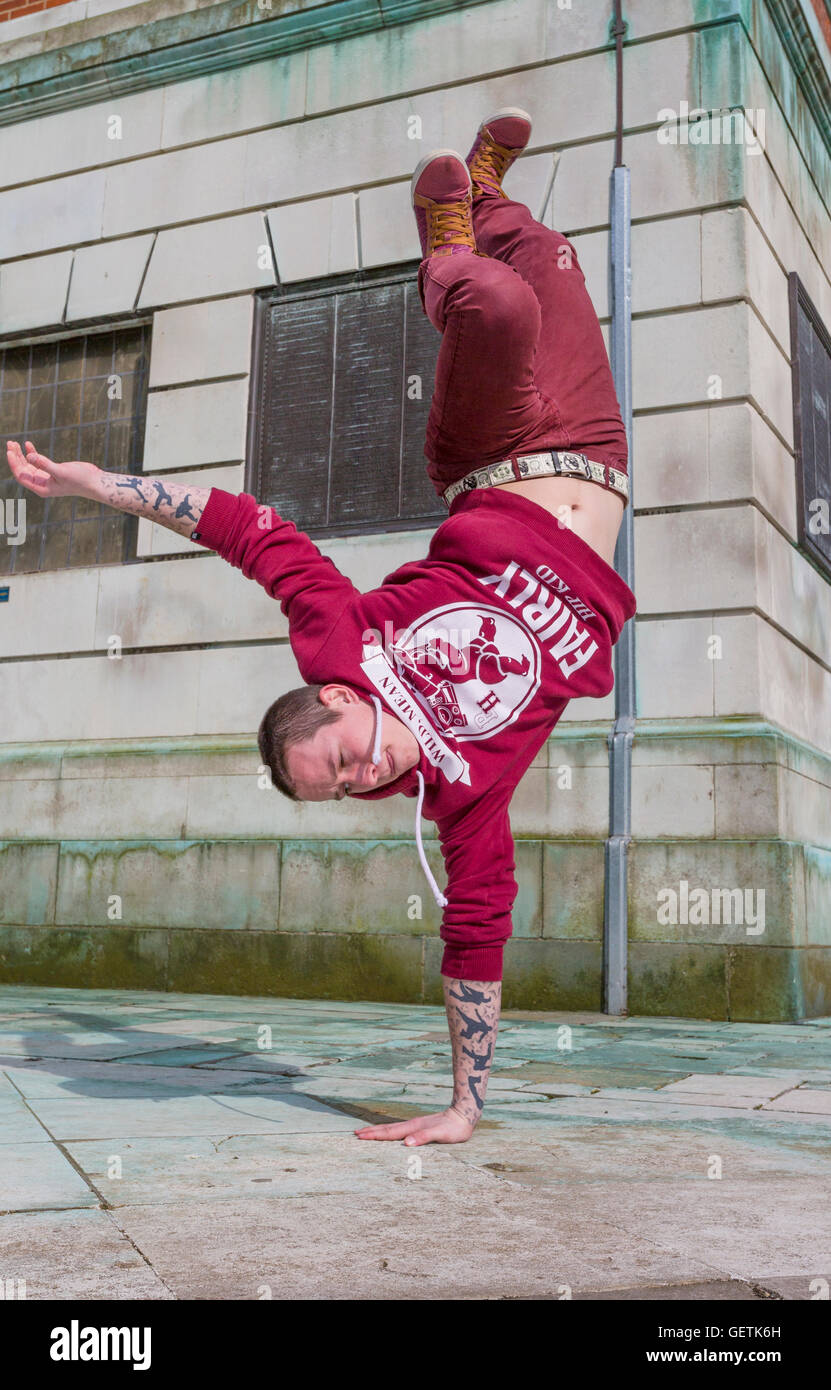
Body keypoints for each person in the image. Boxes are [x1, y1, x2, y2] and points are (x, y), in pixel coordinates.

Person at [6, 109, 636, 1147]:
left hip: (492, 452)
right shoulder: (461, 790)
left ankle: (444, 233)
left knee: (495, 298)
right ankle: (484, 191)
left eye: (339, 760)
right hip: (595, 446)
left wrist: (97, 484)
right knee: (547, 256)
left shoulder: (342, 644)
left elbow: (251, 530)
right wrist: (464, 1103)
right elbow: (475, 927)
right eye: (341, 789)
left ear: (340, 700)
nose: (360, 778)